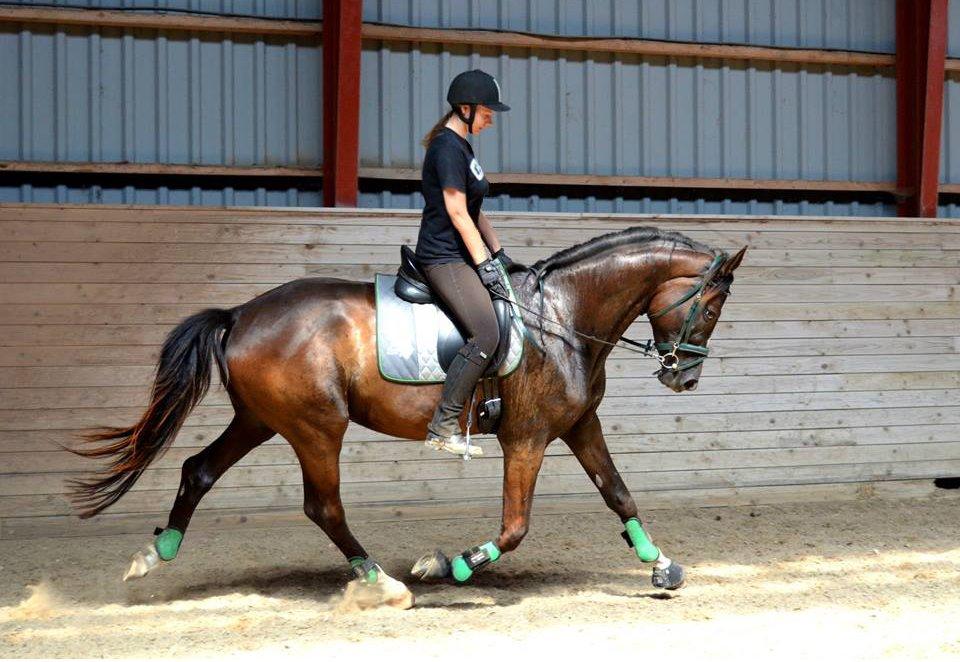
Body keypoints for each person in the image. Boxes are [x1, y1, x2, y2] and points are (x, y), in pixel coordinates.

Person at [415, 69, 524, 455]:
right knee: (487, 334)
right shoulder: (446, 147)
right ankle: (443, 425)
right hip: (443, 258)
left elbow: (477, 212)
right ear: (465, 108)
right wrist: (484, 265)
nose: (491, 117)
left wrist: (499, 255)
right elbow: (457, 213)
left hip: (465, 253)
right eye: (487, 110)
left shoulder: (463, 146)